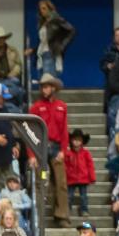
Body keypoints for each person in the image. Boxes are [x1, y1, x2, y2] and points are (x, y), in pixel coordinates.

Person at [28, 73, 70, 223]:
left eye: (46, 87)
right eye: (42, 87)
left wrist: (64, 150)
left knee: (61, 183)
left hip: (56, 148)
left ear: (53, 88)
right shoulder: (35, 108)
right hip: (40, 149)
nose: (43, 90)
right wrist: (31, 154)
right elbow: (30, 132)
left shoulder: (62, 107)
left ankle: (61, 215)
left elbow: (64, 131)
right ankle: (38, 216)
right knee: (41, 181)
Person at [26, 0, 75, 79]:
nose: (42, 11)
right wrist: (33, 50)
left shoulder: (56, 20)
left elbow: (71, 31)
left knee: (49, 80)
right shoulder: (43, 23)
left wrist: (61, 46)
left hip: (51, 53)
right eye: (40, 9)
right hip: (41, 54)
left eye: (44, 8)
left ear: (50, 8)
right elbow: (43, 42)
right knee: (42, 81)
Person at [62, 129, 94, 217]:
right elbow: (65, 165)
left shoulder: (86, 153)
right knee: (69, 196)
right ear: (71, 141)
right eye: (75, 140)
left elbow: (90, 165)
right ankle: (67, 209)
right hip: (71, 178)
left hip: (83, 178)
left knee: (84, 196)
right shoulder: (68, 153)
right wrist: (65, 176)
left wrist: (92, 177)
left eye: (79, 140)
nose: (76, 142)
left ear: (82, 142)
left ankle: (84, 210)